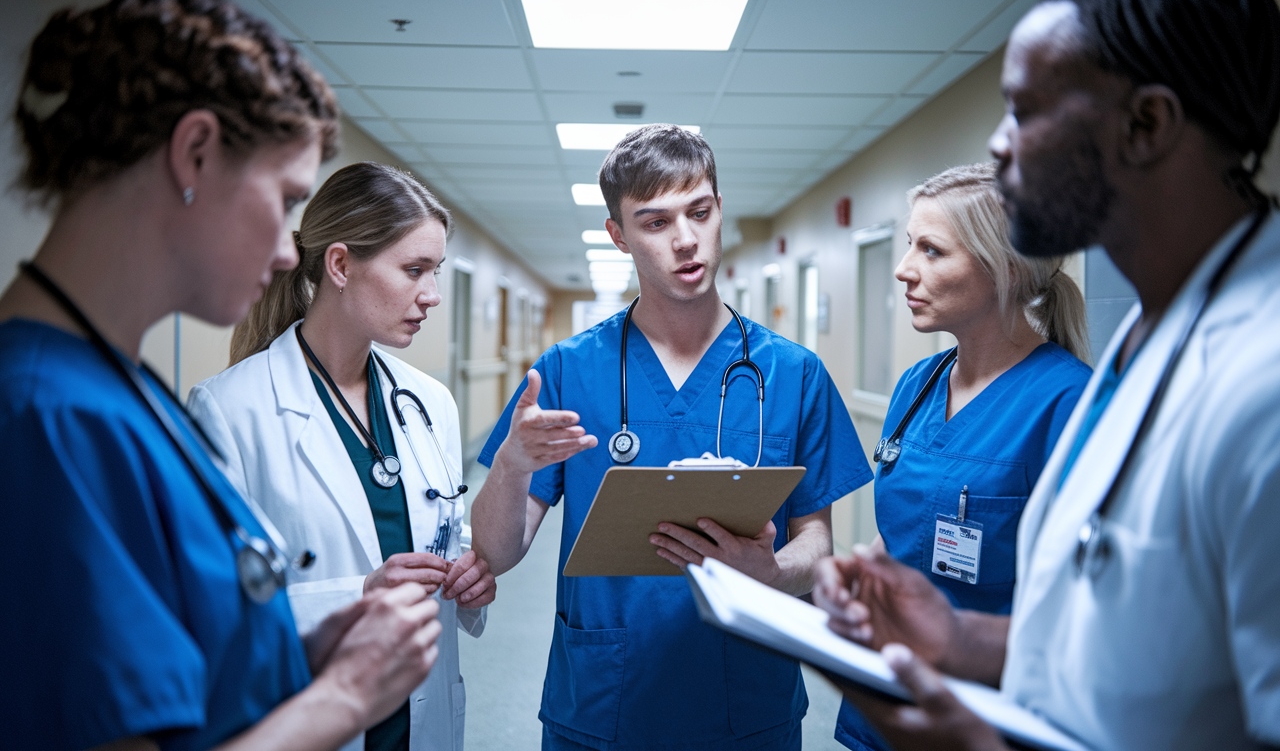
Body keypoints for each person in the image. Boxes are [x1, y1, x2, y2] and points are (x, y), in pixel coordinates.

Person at [813, 0, 1280, 749]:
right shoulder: (1152, 339)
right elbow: (1120, 649)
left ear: (1147, 125)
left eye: (1024, 112)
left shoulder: (1261, 378)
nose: (998, 146)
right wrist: (963, 644)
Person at [0, 0, 444, 751]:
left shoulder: (125, 393)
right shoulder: (48, 418)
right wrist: (344, 697)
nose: (285, 253)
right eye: (285, 198)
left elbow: (184, 679)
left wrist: (301, 647)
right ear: (194, 154)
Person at [470, 123, 875, 750]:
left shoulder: (794, 375)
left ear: (719, 210)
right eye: (655, 222)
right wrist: (511, 466)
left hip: (745, 696)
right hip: (606, 702)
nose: (686, 240)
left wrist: (771, 571)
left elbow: (816, 542)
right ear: (619, 235)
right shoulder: (567, 371)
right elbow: (498, 553)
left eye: (700, 212)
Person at [187, 161, 496, 751]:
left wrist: (467, 577)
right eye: (413, 271)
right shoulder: (231, 410)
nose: (431, 296)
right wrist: (358, 595)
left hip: (419, 716)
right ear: (340, 265)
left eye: (435, 272)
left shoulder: (430, 403)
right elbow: (214, 608)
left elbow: (444, 537)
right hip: (310, 712)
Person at [833, 163, 1092, 751]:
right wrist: (855, 582)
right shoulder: (917, 385)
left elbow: (1085, 600)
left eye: (931, 250)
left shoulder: (1069, 402)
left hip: (985, 714)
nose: (903, 270)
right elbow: (901, 536)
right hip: (881, 695)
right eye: (908, 246)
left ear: (1003, 266)